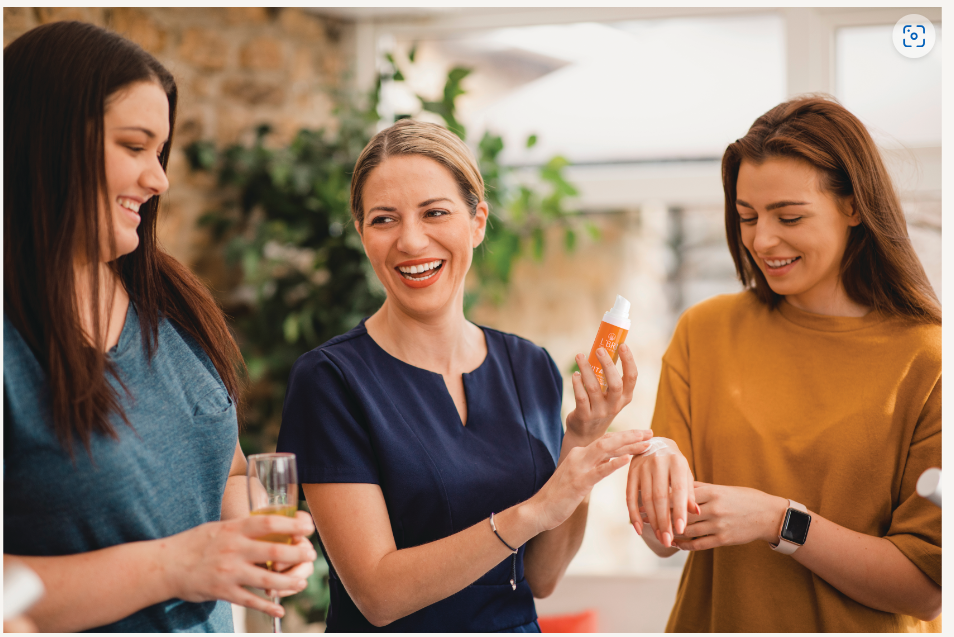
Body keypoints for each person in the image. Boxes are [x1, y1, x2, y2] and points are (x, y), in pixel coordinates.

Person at [276, 118, 652, 631]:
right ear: (362, 234)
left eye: (435, 212)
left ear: (477, 222)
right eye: (384, 219)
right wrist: (530, 513)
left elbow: (542, 577)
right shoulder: (330, 382)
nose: (412, 241)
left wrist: (582, 438)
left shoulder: (530, 366)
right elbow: (377, 595)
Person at [3, 21, 316, 632]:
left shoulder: (166, 295)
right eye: (133, 146)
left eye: (160, 151)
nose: (159, 179)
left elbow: (224, 472)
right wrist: (175, 566)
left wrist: (252, 534)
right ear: (45, 142)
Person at [625, 96, 941, 631]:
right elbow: (664, 539)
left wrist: (779, 521)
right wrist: (655, 463)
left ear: (854, 207)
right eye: (746, 217)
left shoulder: (928, 360)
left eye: (788, 216)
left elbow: (926, 588)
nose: (761, 239)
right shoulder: (706, 331)